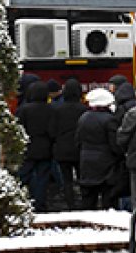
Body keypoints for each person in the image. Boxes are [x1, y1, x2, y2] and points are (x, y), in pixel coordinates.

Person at [76, 88, 120, 209]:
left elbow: (78, 140)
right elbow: (114, 144)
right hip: (105, 163)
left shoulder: (83, 118)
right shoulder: (110, 120)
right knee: (108, 198)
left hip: (86, 161)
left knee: (88, 197)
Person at [16, 81, 56, 212]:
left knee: (23, 176)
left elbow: (18, 128)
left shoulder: (24, 109)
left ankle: (19, 201)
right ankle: (39, 203)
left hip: (27, 147)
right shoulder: (51, 109)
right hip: (45, 148)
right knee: (42, 177)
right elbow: (53, 130)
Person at [50, 79, 86, 210]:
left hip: (62, 149)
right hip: (79, 148)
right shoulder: (83, 109)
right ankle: (83, 202)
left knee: (67, 179)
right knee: (82, 177)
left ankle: (70, 203)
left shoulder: (57, 109)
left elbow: (52, 130)